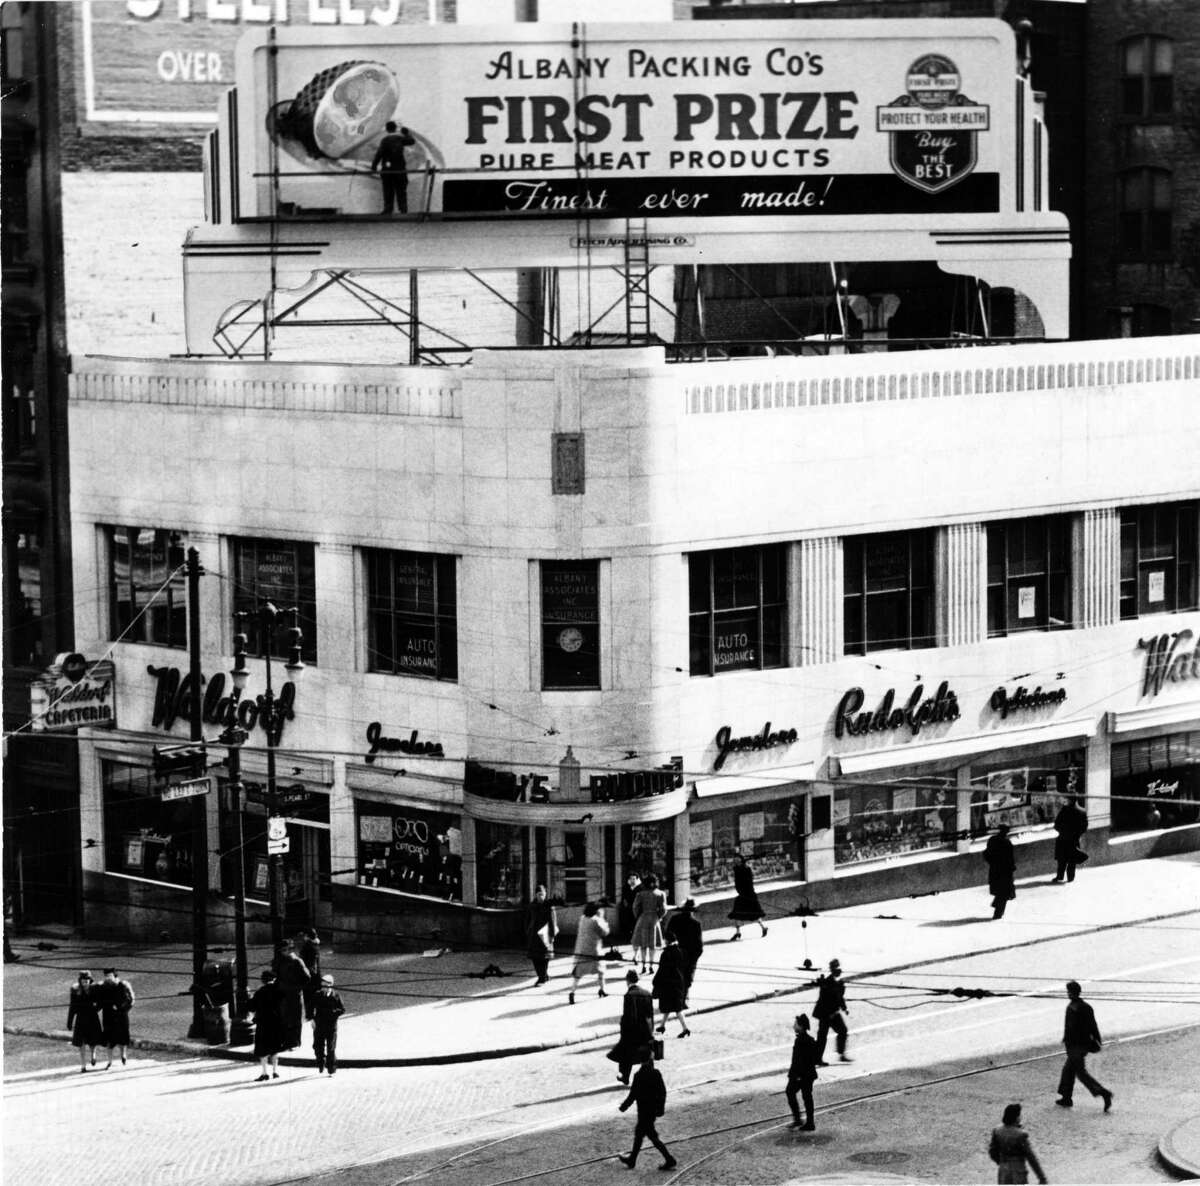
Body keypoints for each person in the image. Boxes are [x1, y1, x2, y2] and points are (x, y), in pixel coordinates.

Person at [1056, 980, 1113, 1111]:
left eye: (1070, 992)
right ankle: (1066, 1097)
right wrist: (1097, 1039)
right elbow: (1093, 1025)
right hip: (1078, 1045)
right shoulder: (1082, 1006)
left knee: (1080, 1073)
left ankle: (1103, 1092)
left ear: (1074, 992)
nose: (1069, 994)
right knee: (1068, 1070)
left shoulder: (1075, 1007)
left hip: (1077, 1046)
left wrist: (1068, 1040)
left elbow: (1075, 1027)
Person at [617, 1055, 677, 1171]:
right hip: (652, 1110)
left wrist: (624, 1106)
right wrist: (660, 1108)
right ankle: (632, 1160)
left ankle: (669, 1159)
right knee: (641, 1135)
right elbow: (662, 1092)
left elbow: (633, 1094)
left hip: (643, 1111)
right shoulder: (656, 1073)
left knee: (649, 1136)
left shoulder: (639, 1075)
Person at [607, 970, 655, 1085]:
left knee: (625, 1054)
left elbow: (629, 1016)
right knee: (647, 1054)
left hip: (632, 1031)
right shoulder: (647, 993)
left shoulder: (629, 995)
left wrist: (624, 1031)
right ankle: (650, 1076)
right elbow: (650, 1015)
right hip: (645, 1030)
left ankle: (625, 1076)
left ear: (627, 981)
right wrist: (651, 1030)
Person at [989, 1103, 1048, 1184]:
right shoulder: (1021, 1135)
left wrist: (1001, 1162)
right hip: (1018, 1171)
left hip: (1003, 1171)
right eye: (1019, 1115)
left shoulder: (997, 1130)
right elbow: (1031, 1157)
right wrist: (1041, 1177)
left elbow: (992, 1152)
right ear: (1016, 1118)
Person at [273, 939, 312, 1050]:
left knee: (295, 1018)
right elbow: (277, 975)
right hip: (283, 994)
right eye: (282, 950)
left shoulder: (297, 961)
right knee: (285, 1017)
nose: (283, 952)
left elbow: (307, 977)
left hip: (294, 995)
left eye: (285, 950)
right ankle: (286, 1041)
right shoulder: (281, 961)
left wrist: (297, 987)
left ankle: (295, 1043)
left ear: (290, 949)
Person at [370, 120, 416, 214]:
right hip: (400, 169)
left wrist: (374, 165)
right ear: (395, 128)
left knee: (388, 190)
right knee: (401, 190)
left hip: (387, 170)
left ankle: (388, 209)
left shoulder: (385, 140)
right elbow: (412, 141)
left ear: (387, 129)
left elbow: (379, 154)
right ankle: (403, 209)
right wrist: (406, 133)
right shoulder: (400, 139)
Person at [569, 901, 610, 1004]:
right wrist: (602, 918)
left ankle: (572, 992)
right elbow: (604, 932)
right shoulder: (596, 921)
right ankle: (602, 990)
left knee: (578, 974)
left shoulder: (582, 919)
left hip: (581, 950)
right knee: (601, 971)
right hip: (594, 951)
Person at [665, 899, 703, 1005]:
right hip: (690, 955)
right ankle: (685, 998)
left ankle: (676, 998)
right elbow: (699, 945)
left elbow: (667, 935)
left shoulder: (674, 919)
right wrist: (694, 958)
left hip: (675, 953)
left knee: (675, 976)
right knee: (687, 978)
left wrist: (669, 950)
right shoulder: (696, 924)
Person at [813, 957, 852, 1064]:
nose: (839, 971)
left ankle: (841, 1054)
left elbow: (840, 998)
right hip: (825, 1014)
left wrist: (844, 1008)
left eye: (839, 969)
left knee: (843, 1031)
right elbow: (824, 1000)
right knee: (822, 1036)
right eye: (837, 969)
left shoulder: (840, 983)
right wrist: (830, 1013)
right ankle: (817, 1059)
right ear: (833, 970)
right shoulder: (827, 982)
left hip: (833, 1013)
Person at [651, 935, 691, 1037]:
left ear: (667, 941)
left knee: (676, 1008)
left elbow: (661, 970)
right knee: (670, 1007)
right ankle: (662, 1026)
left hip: (669, 985)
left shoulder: (666, 954)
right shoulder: (681, 951)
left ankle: (685, 1028)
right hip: (679, 983)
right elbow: (686, 968)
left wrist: (655, 981)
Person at [785, 1014, 820, 1131]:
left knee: (792, 1092)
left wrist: (797, 1076)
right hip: (807, 1074)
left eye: (795, 1024)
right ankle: (808, 1122)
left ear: (801, 1026)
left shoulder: (801, 1041)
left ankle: (800, 1120)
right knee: (806, 1097)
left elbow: (799, 1061)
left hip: (801, 1075)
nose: (793, 1026)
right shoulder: (809, 1040)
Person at [250, 970, 285, 1082]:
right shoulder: (279, 991)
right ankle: (275, 1071)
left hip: (263, 1024)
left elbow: (251, 1007)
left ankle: (264, 1073)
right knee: (275, 1048)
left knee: (263, 1049)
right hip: (276, 1023)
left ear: (263, 980)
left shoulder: (260, 992)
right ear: (274, 979)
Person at [97, 967, 134, 1068]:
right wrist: (95, 1009)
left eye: (110, 976)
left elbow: (130, 1000)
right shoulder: (102, 987)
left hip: (121, 1015)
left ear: (115, 976)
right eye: (106, 976)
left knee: (122, 1037)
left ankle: (123, 1055)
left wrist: (122, 1008)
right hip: (108, 1015)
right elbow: (100, 1001)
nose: (108, 978)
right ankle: (109, 1061)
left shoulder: (123, 985)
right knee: (109, 1039)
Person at [67, 971, 104, 1072]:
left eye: (87, 981)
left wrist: (96, 1008)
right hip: (81, 1019)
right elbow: (72, 1007)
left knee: (93, 1040)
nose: (85, 983)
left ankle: (93, 1054)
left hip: (92, 1018)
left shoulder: (95, 989)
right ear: (80, 981)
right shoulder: (76, 991)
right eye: (83, 981)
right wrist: (70, 1022)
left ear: (90, 981)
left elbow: (101, 1002)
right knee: (81, 1043)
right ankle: (83, 1065)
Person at [630, 874, 667, 973]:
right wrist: (659, 916)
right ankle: (651, 965)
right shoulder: (661, 894)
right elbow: (664, 909)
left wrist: (638, 916)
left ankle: (643, 965)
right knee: (652, 945)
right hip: (654, 919)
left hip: (643, 918)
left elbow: (635, 907)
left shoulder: (640, 894)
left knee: (643, 945)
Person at [311, 972, 345, 1076]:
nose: (323, 987)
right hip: (319, 1025)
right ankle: (321, 1062)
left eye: (325, 985)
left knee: (331, 1048)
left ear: (330, 985)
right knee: (317, 1046)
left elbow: (342, 1009)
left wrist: (332, 1013)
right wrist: (312, 1020)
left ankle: (331, 1069)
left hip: (331, 1026)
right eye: (322, 984)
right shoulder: (317, 994)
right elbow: (311, 1007)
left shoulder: (336, 996)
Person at [728, 854, 768, 939]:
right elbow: (737, 882)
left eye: (738, 860)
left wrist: (747, 893)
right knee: (736, 913)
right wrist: (740, 891)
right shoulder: (736, 869)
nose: (736, 862)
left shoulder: (746, 869)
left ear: (741, 860)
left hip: (749, 895)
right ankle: (738, 932)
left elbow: (749, 882)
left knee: (754, 913)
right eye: (735, 860)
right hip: (742, 895)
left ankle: (763, 927)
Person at [525, 884, 558, 985]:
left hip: (546, 934)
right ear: (535, 895)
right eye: (539, 894)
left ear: (546, 894)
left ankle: (542, 977)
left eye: (543, 894)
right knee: (535, 957)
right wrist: (528, 931)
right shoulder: (531, 906)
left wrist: (552, 935)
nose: (541, 896)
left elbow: (553, 922)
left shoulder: (549, 907)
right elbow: (527, 920)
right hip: (534, 936)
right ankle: (542, 976)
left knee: (545, 957)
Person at [985, 824, 1017, 919]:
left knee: (1000, 890)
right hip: (1005, 871)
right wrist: (1012, 867)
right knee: (1005, 892)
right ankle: (998, 913)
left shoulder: (992, 840)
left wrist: (992, 863)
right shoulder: (1007, 843)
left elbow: (986, 854)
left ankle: (997, 907)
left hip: (995, 870)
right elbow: (1010, 858)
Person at [1052, 797, 1088, 883]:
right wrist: (1077, 835)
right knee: (1072, 859)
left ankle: (1060, 876)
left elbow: (1056, 824)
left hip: (1063, 838)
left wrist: (1062, 832)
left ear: (1070, 800)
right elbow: (1084, 827)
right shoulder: (1082, 811)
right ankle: (1070, 877)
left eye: (1067, 800)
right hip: (1074, 839)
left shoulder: (1064, 810)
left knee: (1062, 859)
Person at [297, 927, 322, 1020]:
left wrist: (305, 974)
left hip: (309, 974)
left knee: (308, 995)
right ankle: (316, 1012)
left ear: (307, 936)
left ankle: (309, 1014)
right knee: (316, 994)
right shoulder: (316, 945)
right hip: (316, 974)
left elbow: (307, 962)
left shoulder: (307, 946)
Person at [619, 872, 641, 943]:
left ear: (637, 879)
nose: (632, 881)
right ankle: (627, 938)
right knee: (627, 923)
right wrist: (625, 903)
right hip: (627, 908)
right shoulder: (625, 887)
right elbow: (623, 898)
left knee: (635, 924)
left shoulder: (640, 888)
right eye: (631, 879)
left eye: (634, 879)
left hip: (636, 909)